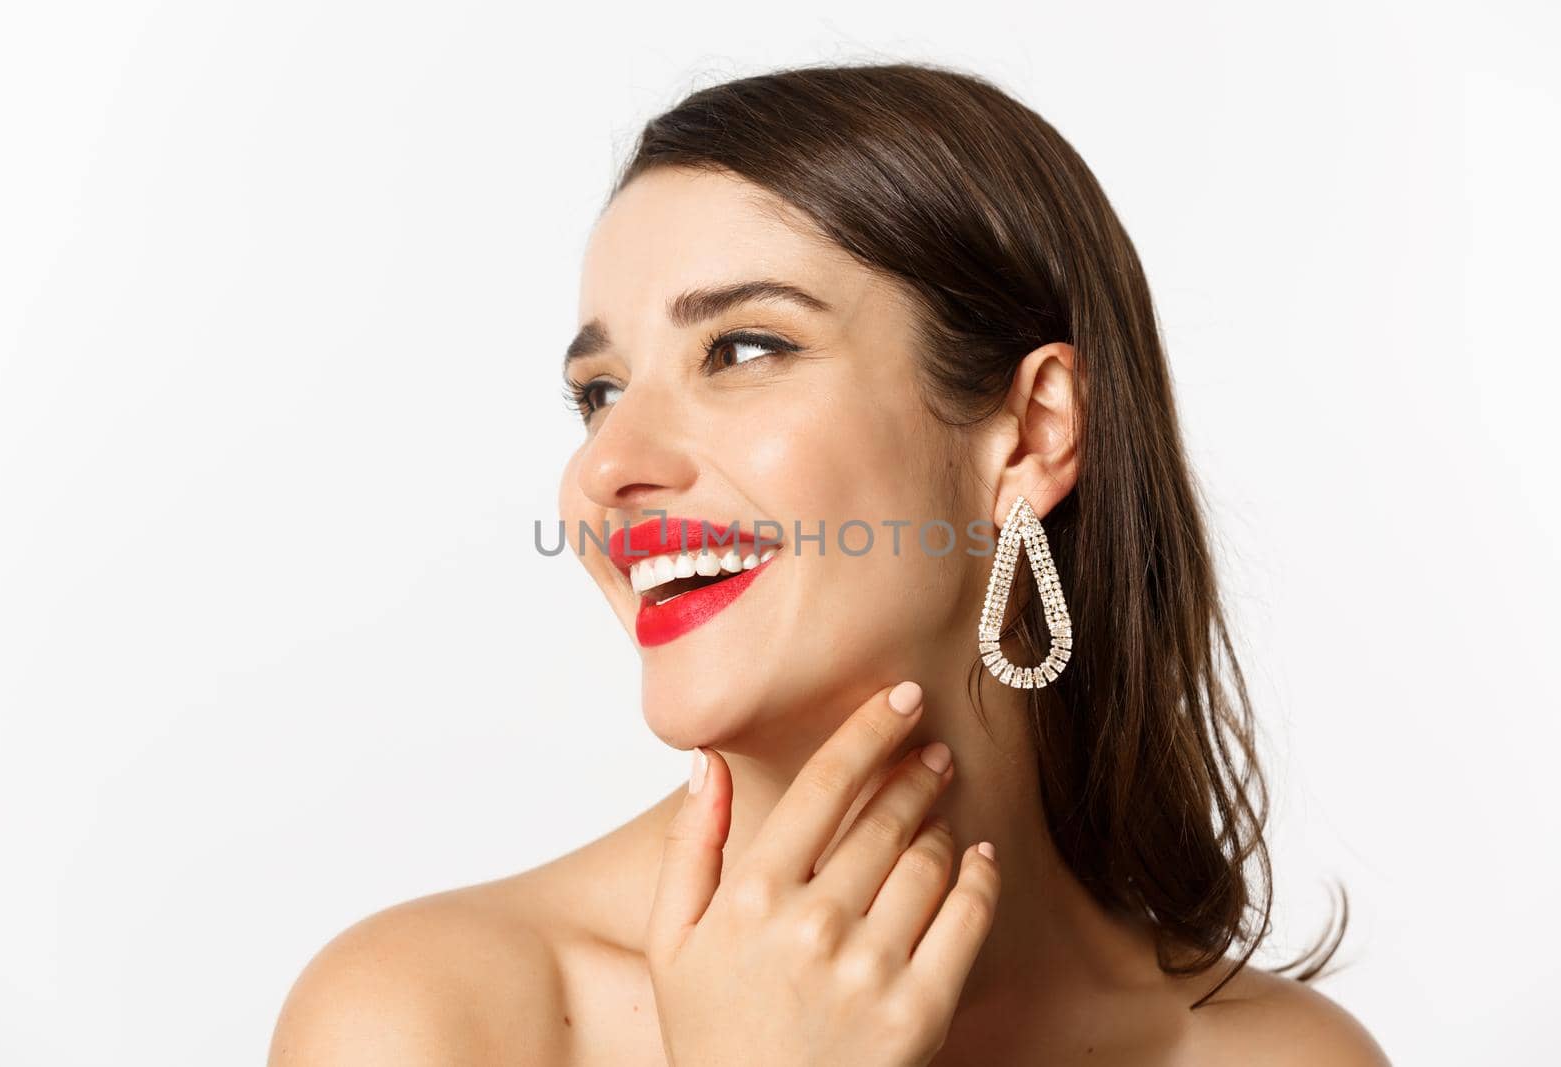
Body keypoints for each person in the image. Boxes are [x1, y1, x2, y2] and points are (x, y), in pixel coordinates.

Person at [268, 61, 1390, 1065]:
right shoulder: (427, 1019)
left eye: (743, 347)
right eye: (598, 391)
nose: (608, 463)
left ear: (1033, 430)